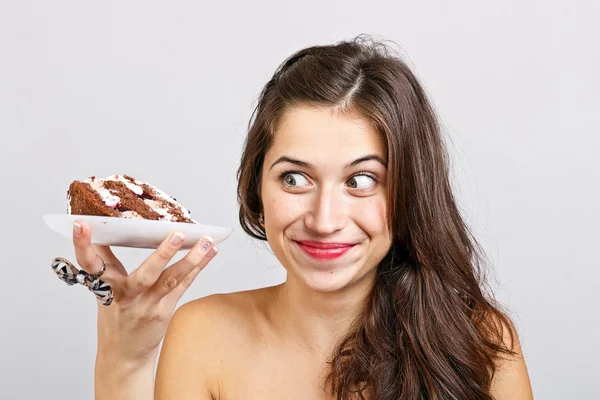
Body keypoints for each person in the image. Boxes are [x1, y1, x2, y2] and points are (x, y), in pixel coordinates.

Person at [67, 35, 533, 399]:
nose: (325, 220)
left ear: (410, 191)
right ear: (257, 186)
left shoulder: (481, 343)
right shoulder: (202, 336)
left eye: (362, 180)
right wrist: (124, 361)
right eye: (294, 179)